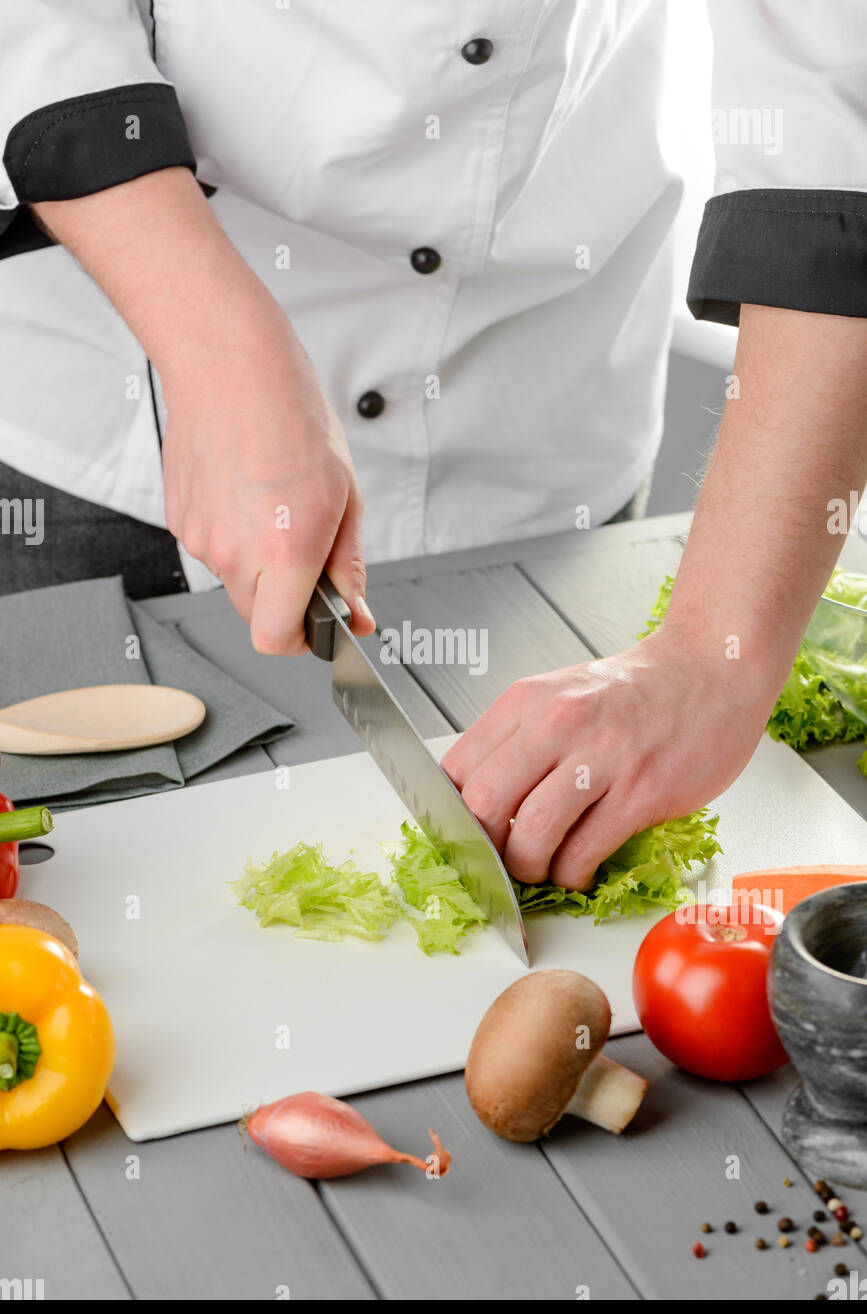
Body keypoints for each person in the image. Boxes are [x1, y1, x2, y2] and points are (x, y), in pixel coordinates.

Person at [0, 1, 865, 889]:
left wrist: (708, 656)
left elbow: (831, 119)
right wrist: (213, 350)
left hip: (538, 397)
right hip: (116, 363)